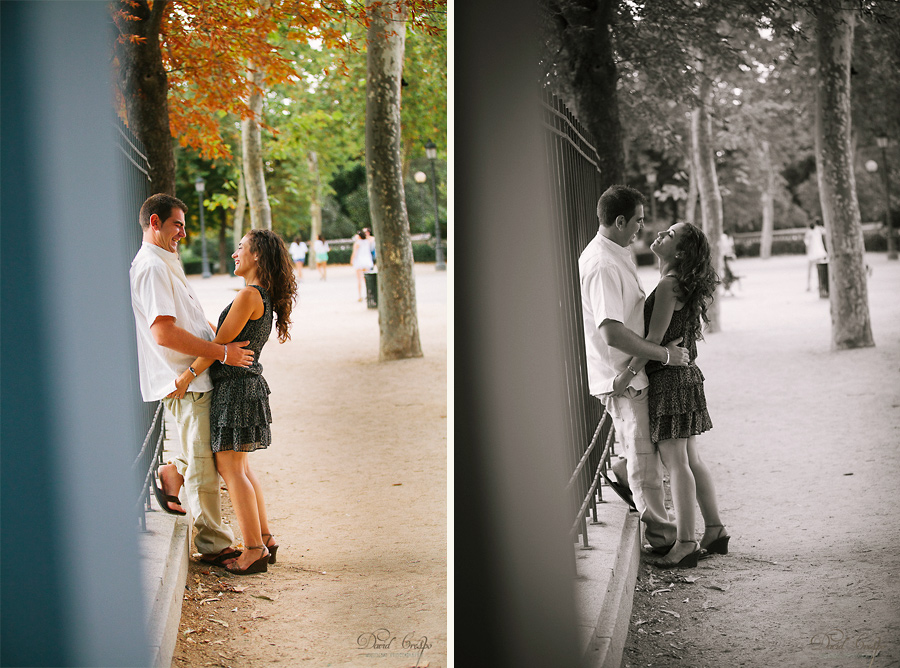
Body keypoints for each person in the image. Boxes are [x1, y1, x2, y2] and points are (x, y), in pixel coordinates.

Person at [130, 193, 253, 567]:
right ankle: (213, 544)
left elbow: (187, 318)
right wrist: (222, 353)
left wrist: (219, 339)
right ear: (155, 222)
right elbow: (164, 334)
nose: (182, 232)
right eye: (176, 224)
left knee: (198, 452)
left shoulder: (165, 260)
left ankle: (170, 472)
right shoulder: (152, 266)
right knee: (204, 465)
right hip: (185, 380)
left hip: (193, 375)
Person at [172, 229, 298, 575]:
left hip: (236, 389)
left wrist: (185, 376)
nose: (234, 254)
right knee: (240, 469)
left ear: (256, 255)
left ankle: (254, 549)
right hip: (246, 386)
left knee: (232, 470)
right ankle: (266, 539)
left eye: (240, 248)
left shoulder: (248, 295)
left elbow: (218, 349)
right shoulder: (260, 296)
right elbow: (224, 337)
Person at [579, 185, 689, 553]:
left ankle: (622, 473)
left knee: (642, 454)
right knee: (645, 461)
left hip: (632, 372)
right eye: (638, 221)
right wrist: (663, 355)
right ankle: (660, 536)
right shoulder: (603, 264)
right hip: (623, 376)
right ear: (620, 220)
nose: (642, 228)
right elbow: (611, 331)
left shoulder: (617, 251)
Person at [616, 222, 729, 568]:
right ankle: (714, 531)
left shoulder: (668, 286)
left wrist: (627, 374)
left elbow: (652, 340)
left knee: (677, 463)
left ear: (678, 252)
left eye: (670, 234)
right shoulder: (678, 283)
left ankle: (685, 543)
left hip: (670, 380)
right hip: (686, 378)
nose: (661, 234)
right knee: (690, 459)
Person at [351, 228, 375, 301]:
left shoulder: (357, 243)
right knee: (366, 279)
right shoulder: (367, 241)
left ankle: (360, 295)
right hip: (367, 261)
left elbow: (354, 252)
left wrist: (352, 260)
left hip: (359, 261)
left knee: (359, 279)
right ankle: (368, 294)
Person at [804, 219, 828, 291]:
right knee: (820, 270)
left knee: (810, 270)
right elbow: (825, 231)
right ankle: (820, 285)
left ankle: (809, 285)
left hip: (812, 254)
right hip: (820, 253)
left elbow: (807, 243)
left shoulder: (808, 232)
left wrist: (807, 252)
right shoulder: (819, 230)